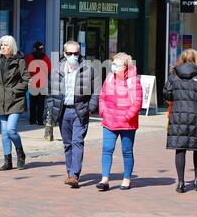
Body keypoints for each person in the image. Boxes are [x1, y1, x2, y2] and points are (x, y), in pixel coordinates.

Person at [46, 41, 100, 188]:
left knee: (77, 141)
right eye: (69, 53)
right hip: (62, 111)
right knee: (67, 144)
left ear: (79, 53)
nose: (73, 56)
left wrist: (91, 107)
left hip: (80, 110)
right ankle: (70, 173)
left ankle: (74, 175)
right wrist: (51, 109)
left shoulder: (88, 68)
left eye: (76, 53)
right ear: (64, 54)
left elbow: (96, 90)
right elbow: (50, 92)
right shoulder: (57, 69)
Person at [163, 49, 197, 194]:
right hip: (196, 115)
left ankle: (181, 183)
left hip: (178, 115)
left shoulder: (173, 75)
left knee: (180, 148)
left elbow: (167, 94)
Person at [96, 53, 143, 191]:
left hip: (127, 124)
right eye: (113, 63)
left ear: (126, 67)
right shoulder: (110, 78)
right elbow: (102, 96)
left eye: (117, 64)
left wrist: (126, 117)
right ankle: (105, 179)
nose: (114, 66)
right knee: (107, 150)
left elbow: (138, 102)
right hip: (109, 120)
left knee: (127, 151)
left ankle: (127, 179)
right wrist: (103, 111)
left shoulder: (133, 81)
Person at [0, 35, 30, 171]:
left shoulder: (20, 61)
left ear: (11, 46)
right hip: (1, 100)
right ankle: (7, 161)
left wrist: (14, 91)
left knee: (10, 130)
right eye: (1, 44)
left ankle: (20, 152)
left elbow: (26, 80)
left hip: (15, 100)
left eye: (5, 45)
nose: (2, 47)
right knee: (4, 133)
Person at [25, 41, 51, 125]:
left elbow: (26, 69)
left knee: (32, 102)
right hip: (42, 82)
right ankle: (40, 120)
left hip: (33, 82)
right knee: (41, 103)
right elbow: (49, 69)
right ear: (42, 48)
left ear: (34, 48)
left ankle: (32, 120)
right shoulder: (46, 58)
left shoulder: (29, 57)